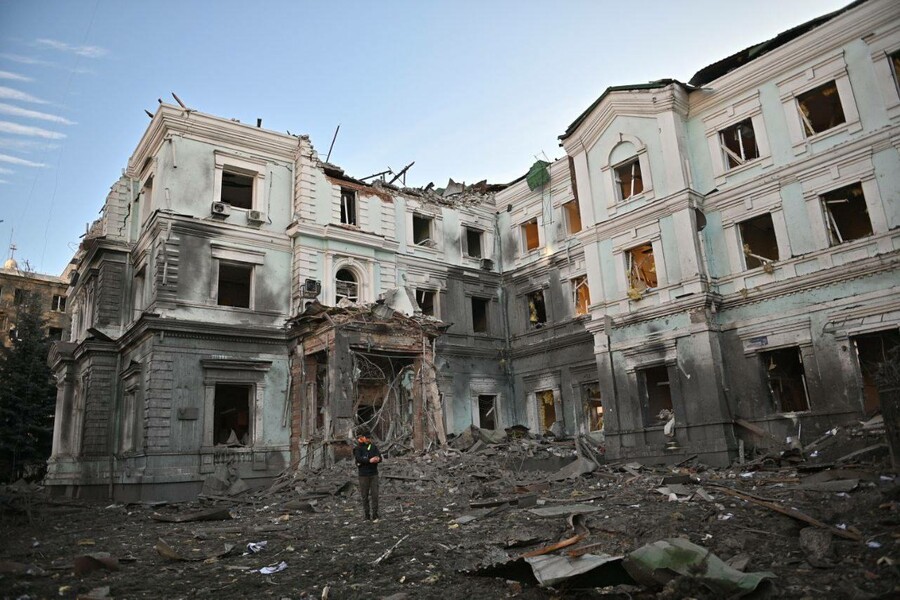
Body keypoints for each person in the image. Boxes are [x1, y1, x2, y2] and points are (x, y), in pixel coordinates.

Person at [353, 428, 382, 521]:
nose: (369, 439)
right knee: (364, 496)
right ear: (362, 438)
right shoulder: (358, 448)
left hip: (374, 474)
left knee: (375, 495)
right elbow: (358, 459)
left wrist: (377, 459)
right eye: (367, 438)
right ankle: (366, 515)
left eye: (370, 438)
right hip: (363, 475)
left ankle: (375, 514)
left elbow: (380, 457)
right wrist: (369, 460)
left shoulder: (373, 447)